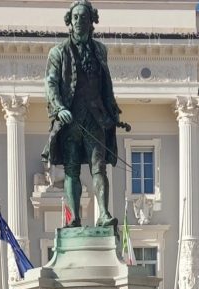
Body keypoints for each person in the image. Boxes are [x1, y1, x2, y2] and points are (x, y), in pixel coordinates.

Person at [43, 0, 126, 231]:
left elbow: (105, 85)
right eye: (76, 17)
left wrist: (113, 112)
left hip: (96, 117)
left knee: (99, 166)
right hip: (71, 119)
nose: (80, 21)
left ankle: (104, 213)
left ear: (92, 22)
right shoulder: (58, 51)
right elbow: (50, 83)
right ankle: (74, 219)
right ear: (70, 22)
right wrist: (59, 108)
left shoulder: (100, 50)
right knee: (71, 169)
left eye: (84, 17)